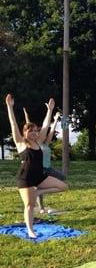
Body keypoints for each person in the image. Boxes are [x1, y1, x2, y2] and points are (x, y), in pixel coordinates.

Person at [5, 94, 68, 239]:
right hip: (25, 179)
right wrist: (10, 107)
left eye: (34, 130)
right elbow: (13, 124)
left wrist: (50, 110)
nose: (33, 133)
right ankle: (30, 229)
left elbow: (46, 126)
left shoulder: (39, 142)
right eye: (30, 130)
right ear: (25, 133)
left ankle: (38, 192)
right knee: (30, 206)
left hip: (40, 177)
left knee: (63, 186)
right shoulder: (21, 143)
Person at [23, 108, 67, 213]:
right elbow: (27, 128)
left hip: (48, 168)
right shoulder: (34, 144)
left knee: (62, 177)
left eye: (37, 131)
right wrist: (26, 115)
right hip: (40, 169)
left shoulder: (45, 143)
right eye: (34, 131)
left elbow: (51, 131)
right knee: (39, 186)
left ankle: (39, 192)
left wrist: (55, 119)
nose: (36, 132)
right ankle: (41, 207)